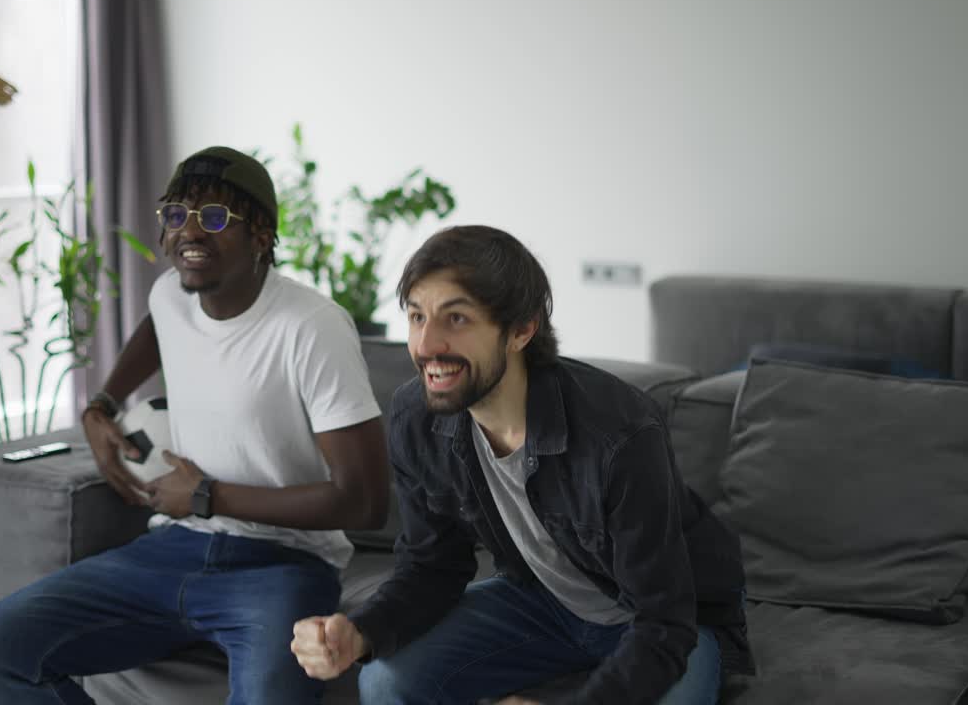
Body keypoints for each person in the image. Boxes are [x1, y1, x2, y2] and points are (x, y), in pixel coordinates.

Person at [0, 146, 389, 705]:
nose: (190, 231)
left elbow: (364, 502)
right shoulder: (172, 295)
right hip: (171, 551)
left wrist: (208, 497)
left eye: (214, 218)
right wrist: (101, 407)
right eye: (176, 215)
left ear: (261, 234)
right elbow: (159, 327)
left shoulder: (312, 328)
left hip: (283, 565)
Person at [291, 225, 754, 705]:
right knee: (384, 680)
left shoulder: (619, 433)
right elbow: (432, 565)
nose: (427, 344)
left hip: (664, 621)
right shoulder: (416, 417)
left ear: (521, 329)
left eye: (456, 319)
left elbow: (664, 619)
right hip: (544, 606)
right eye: (416, 316)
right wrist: (361, 632)